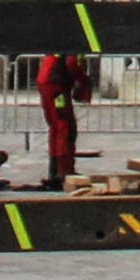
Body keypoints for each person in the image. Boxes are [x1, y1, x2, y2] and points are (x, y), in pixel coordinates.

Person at [32, 48, 95, 189]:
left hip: (46, 82)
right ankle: (64, 170)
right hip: (56, 86)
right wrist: (83, 80)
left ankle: (54, 170)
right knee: (65, 126)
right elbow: (72, 63)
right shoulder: (76, 39)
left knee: (55, 126)